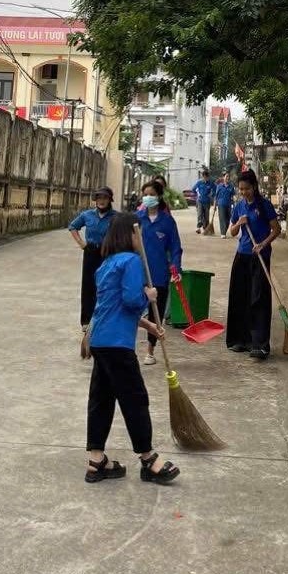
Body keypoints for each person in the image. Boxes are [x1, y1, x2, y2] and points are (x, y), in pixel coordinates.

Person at [84, 212, 180, 485]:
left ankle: (96, 461)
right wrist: (147, 296)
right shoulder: (132, 262)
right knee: (135, 399)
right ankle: (148, 459)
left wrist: (149, 326)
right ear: (130, 234)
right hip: (117, 345)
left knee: (101, 400)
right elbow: (129, 301)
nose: (141, 237)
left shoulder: (106, 265)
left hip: (101, 341)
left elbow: (110, 307)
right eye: (139, 232)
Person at [226, 171, 281, 360]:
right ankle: (239, 340)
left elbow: (276, 229)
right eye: (241, 189)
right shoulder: (239, 206)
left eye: (247, 189)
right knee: (239, 297)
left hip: (260, 257)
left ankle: (259, 344)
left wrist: (263, 244)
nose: (244, 192)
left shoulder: (264, 205)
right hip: (242, 255)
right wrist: (239, 223)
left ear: (254, 187)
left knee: (258, 299)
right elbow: (231, 232)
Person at [136, 180, 182, 365]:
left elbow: (176, 248)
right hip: (138, 273)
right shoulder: (137, 219)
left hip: (160, 274)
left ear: (159, 197)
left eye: (152, 194)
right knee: (133, 309)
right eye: (145, 194)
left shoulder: (167, 221)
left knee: (156, 313)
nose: (148, 197)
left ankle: (150, 350)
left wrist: (176, 268)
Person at [68, 187, 117, 344]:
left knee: (105, 285)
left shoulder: (116, 217)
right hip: (90, 252)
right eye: (99, 198)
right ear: (95, 200)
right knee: (88, 286)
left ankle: (103, 318)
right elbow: (73, 226)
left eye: (105, 198)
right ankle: (86, 321)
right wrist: (82, 244)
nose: (102, 201)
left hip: (107, 254)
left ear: (110, 200)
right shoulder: (87, 215)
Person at [191, 169, 214, 234]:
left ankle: (205, 228)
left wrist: (211, 194)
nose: (205, 179)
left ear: (208, 177)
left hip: (207, 202)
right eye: (204, 177)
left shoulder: (210, 183)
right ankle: (198, 228)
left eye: (207, 177)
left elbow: (215, 190)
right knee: (200, 214)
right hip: (200, 201)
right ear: (202, 177)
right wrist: (197, 194)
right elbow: (193, 189)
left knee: (206, 216)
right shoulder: (199, 182)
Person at [214, 172, 236, 238]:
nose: (227, 178)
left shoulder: (231, 186)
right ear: (223, 178)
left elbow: (233, 195)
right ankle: (223, 233)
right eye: (226, 176)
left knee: (228, 219)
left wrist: (234, 203)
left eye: (228, 176)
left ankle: (224, 231)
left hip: (229, 204)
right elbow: (216, 196)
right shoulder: (219, 186)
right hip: (221, 204)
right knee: (222, 218)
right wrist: (215, 205)